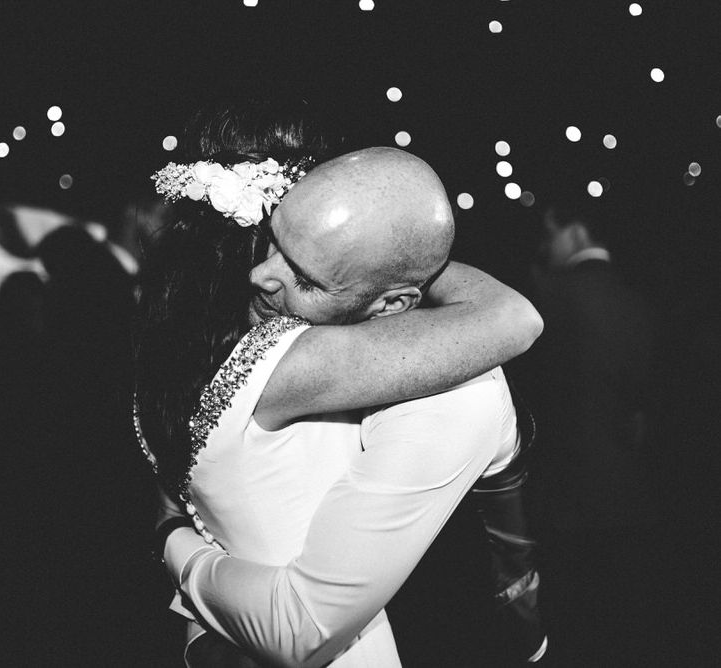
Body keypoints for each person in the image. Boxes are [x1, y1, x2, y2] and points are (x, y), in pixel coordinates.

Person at [136, 102, 543, 666]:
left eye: (305, 276)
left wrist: (173, 541)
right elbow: (514, 317)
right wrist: (378, 250)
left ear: (394, 301)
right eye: (275, 238)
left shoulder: (183, 336)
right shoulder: (282, 355)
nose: (261, 275)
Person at [523, 201, 658, 663]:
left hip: (561, 491)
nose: (545, 246)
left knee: (569, 624)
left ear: (576, 232)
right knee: (621, 621)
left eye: (551, 233)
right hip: (629, 484)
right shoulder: (638, 297)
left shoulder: (548, 299)